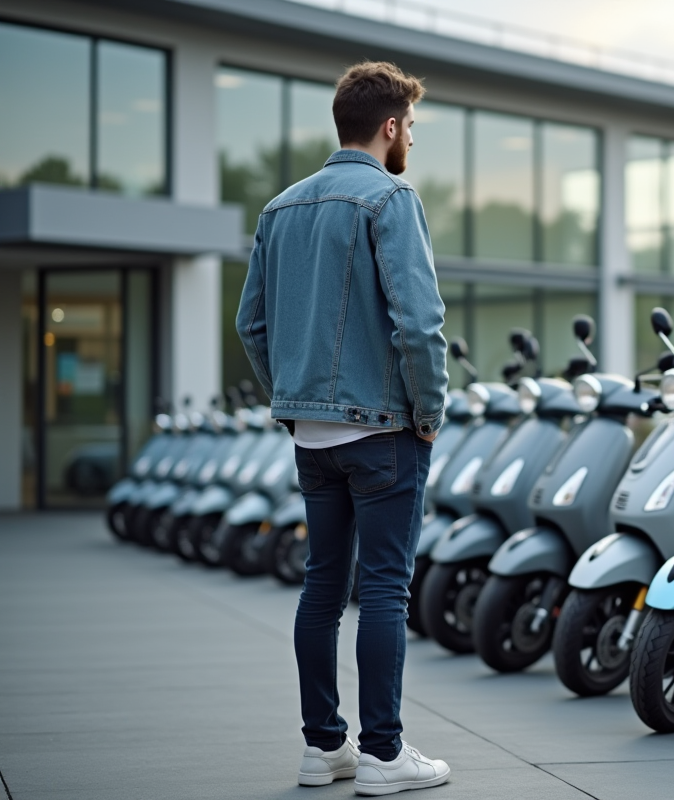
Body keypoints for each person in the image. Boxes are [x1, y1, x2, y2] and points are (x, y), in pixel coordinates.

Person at [236, 60, 450, 796]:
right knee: (385, 589)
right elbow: (420, 326)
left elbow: (250, 324)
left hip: (312, 438)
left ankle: (324, 748)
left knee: (322, 588)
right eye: (410, 128)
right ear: (390, 126)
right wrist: (429, 413)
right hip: (384, 430)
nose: (410, 141)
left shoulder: (279, 208)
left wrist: (291, 400)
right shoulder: (391, 198)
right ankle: (385, 756)